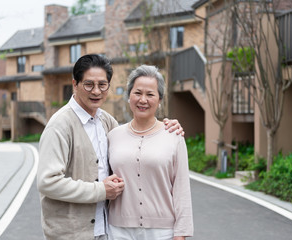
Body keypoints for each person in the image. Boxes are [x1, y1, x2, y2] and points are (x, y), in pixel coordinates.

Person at [37, 54, 183, 240]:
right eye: (89, 84)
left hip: (105, 230)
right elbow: (47, 182)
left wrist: (166, 128)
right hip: (71, 234)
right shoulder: (60, 125)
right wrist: (100, 190)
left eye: (102, 85)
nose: (96, 91)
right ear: (75, 84)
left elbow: (136, 141)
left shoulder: (106, 122)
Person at [108, 65, 194, 240]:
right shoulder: (113, 136)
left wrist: (181, 233)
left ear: (160, 99)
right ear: (129, 95)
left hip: (162, 232)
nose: (143, 100)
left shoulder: (174, 136)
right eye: (137, 93)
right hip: (118, 230)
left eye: (150, 94)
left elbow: (181, 189)